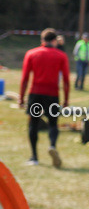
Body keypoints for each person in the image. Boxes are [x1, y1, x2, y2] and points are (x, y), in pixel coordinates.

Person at [19, 29, 70, 167]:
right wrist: (66, 99)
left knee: (33, 124)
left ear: (42, 40)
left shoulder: (32, 54)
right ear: (55, 41)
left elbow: (24, 78)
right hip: (52, 94)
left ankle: (34, 157)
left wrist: (21, 97)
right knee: (53, 123)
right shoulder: (61, 55)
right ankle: (52, 145)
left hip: (35, 93)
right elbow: (66, 79)